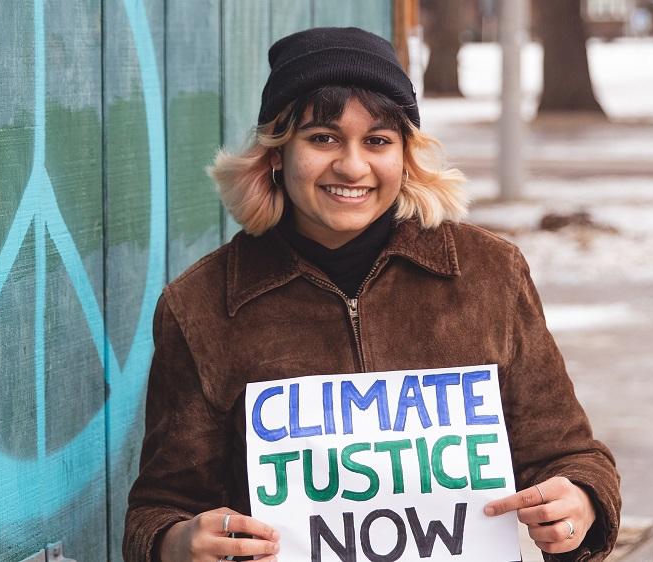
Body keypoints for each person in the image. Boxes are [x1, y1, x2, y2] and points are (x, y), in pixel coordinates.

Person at [124, 27, 620, 562]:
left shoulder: (490, 274)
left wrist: (580, 504)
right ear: (276, 153)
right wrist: (177, 543)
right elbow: (159, 508)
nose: (352, 167)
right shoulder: (200, 304)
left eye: (378, 141)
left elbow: (571, 455)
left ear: (406, 156)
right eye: (323, 138)